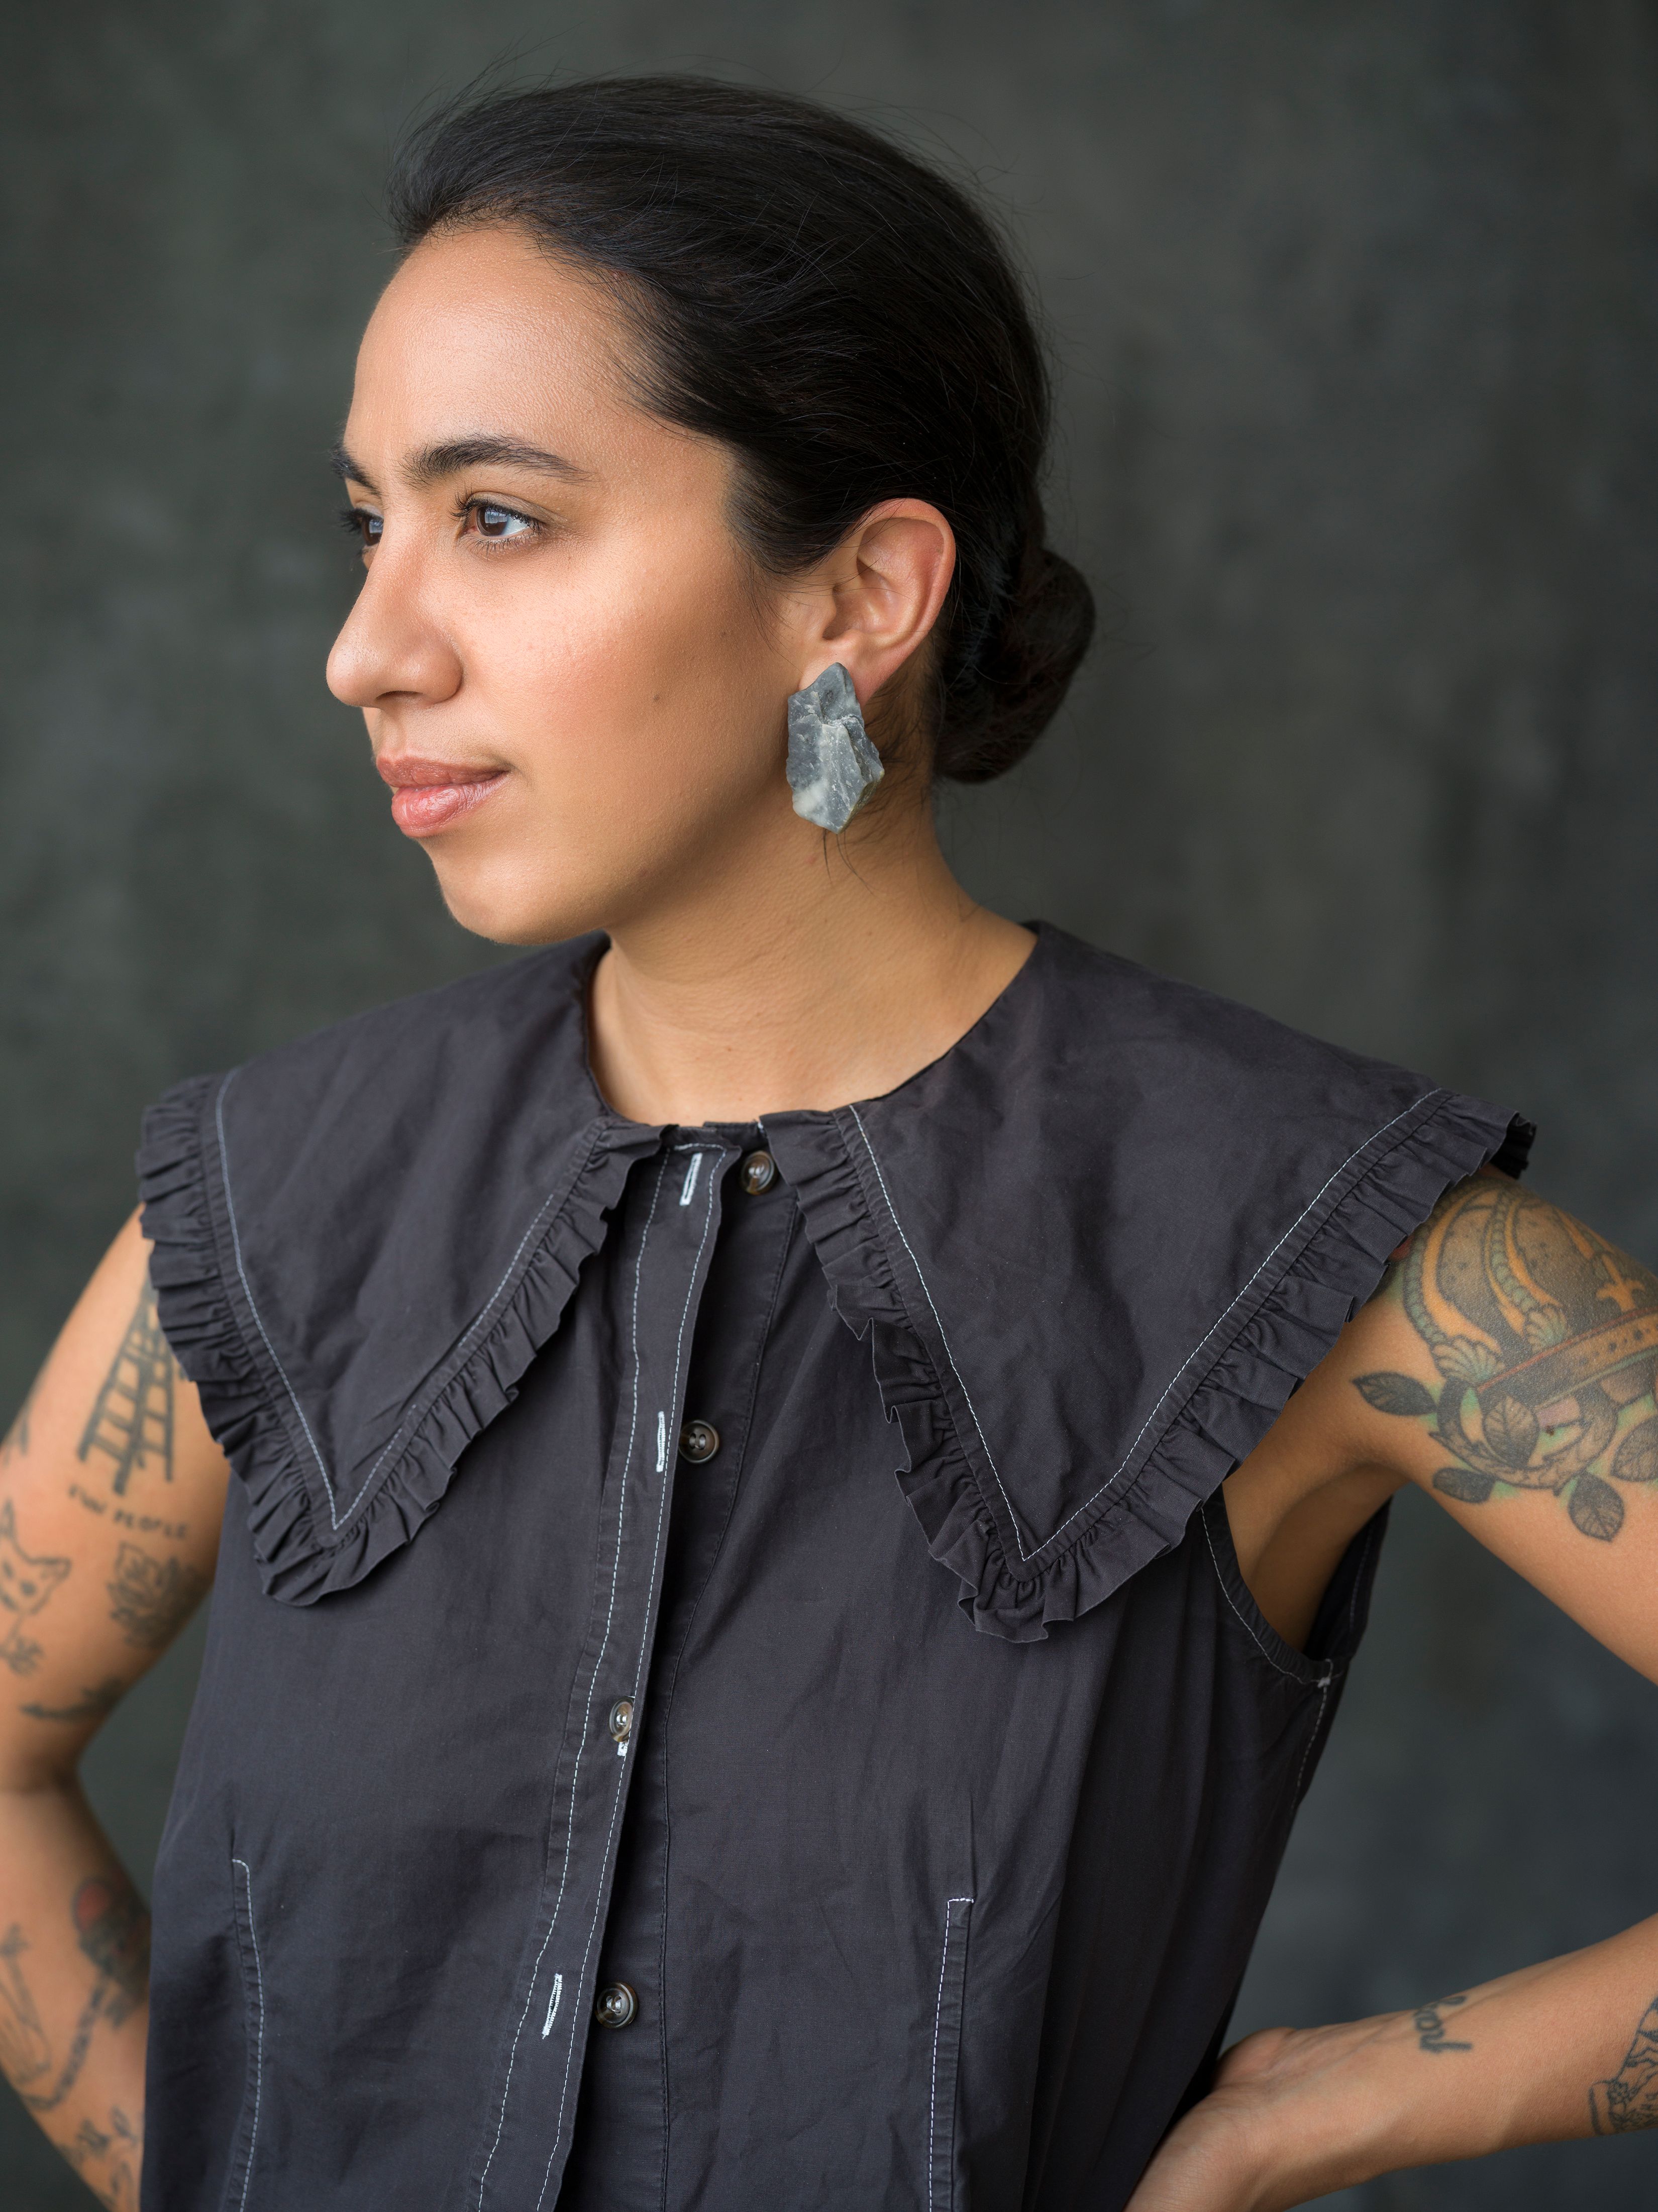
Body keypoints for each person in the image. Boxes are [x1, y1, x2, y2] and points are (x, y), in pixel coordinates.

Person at [2, 74, 1654, 2212]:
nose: (365, 651)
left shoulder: (1316, 1236)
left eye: (496, 518)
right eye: (366, 524)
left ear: (862, 592)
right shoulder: (268, 1198)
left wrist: (1319, 2118)